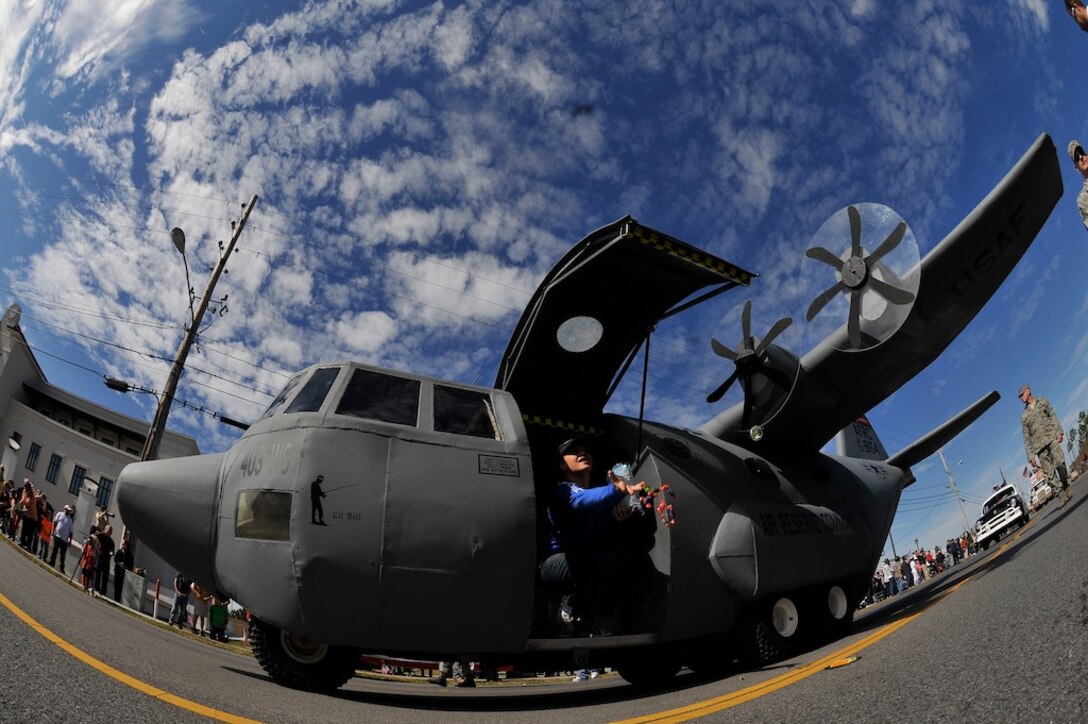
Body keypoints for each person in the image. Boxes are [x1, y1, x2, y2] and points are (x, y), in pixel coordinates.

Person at [539, 436, 649, 635]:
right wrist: (615, 490)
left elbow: (599, 529)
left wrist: (618, 520)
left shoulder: (599, 493)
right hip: (554, 564)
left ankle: (601, 619)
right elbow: (582, 501)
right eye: (574, 451)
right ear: (562, 466)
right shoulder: (563, 490)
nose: (583, 453)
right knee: (603, 559)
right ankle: (573, 614)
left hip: (585, 560)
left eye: (586, 450)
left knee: (622, 558)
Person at [1019, 384, 1073, 507]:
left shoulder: (1042, 401)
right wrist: (1031, 456)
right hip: (1039, 448)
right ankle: (1061, 496)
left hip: (1051, 439)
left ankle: (1065, 483)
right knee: (1050, 473)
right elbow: (1026, 437)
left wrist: (1059, 431)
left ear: (1028, 391)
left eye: (1022, 394)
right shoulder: (1024, 416)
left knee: (1061, 463)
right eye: (1020, 396)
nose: (1021, 397)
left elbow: (1053, 416)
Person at [94, 525, 115, 596]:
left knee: (105, 575)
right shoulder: (100, 535)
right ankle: (96, 587)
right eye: (109, 530)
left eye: (111, 531)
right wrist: (98, 549)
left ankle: (103, 591)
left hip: (107, 559)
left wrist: (111, 553)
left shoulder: (111, 541)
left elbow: (112, 550)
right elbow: (93, 539)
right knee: (98, 573)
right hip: (100, 557)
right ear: (105, 529)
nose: (110, 532)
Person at [113, 537, 133, 602]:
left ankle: (119, 599)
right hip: (117, 571)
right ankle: (115, 598)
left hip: (124, 573)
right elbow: (115, 559)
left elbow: (130, 565)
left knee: (121, 587)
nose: (122, 545)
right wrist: (119, 563)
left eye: (123, 544)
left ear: (126, 545)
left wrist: (126, 567)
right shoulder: (119, 552)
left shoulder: (129, 555)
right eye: (122, 544)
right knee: (116, 585)